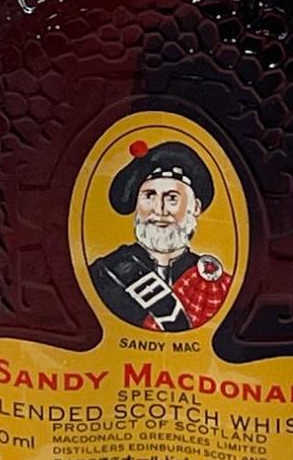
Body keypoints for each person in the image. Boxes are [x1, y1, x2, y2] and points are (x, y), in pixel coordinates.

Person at [89, 139, 232, 331]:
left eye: (172, 198)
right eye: (149, 196)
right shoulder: (104, 274)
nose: (159, 210)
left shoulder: (215, 285)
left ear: (195, 207)